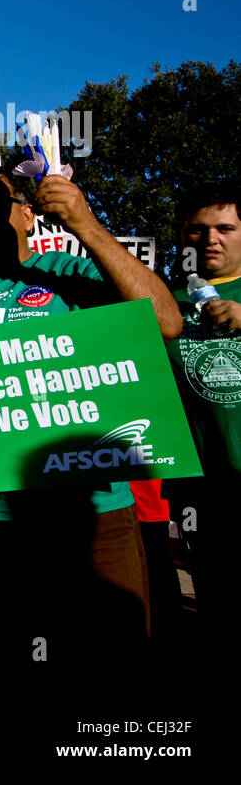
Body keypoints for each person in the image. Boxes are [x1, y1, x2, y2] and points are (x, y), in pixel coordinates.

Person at [0, 167, 182, 665]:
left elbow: (165, 322)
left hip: (90, 513)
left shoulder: (71, 274)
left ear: (29, 214)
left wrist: (85, 225)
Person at [164, 182, 241, 653]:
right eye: (197, 230)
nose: (209, 239)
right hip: (202, 495)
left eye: (225, 228)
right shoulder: (160, 304)